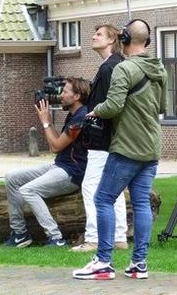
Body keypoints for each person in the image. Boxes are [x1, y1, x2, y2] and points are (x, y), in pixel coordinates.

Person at [73, 19, 167, 280]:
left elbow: (113, 106)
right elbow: (160, 107)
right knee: (140, 204)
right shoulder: (159, 69)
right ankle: (139, 264)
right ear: (146, 41)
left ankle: (103, 262)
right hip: (151, 147)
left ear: (123, 40)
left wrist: (94, 111)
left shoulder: (123, 69)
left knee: (103, 199)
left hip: (127, 146)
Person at [4, 77, 90, 248]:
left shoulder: (81, 118)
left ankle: (56, 238)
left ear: (77, 96)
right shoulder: (73, 114)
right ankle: (20, 234)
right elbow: (59, 141)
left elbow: (55, 147)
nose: (60, 95)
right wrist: (48, 121)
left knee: (28, 190)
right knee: (11, 178)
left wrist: (44, 122)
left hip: (72, 173)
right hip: (59, 166)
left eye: (65, 92)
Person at [71, 25, 128, 252]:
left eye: (99, 35)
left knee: (91, 186)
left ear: (112, 40)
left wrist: (92, 114)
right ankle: (120, 237)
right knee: (114, 188)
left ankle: (94, 238)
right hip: (114, 137)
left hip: (102, 137)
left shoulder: (108, 69)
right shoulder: (115, 65)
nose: (93, 37)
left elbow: (109, 104)